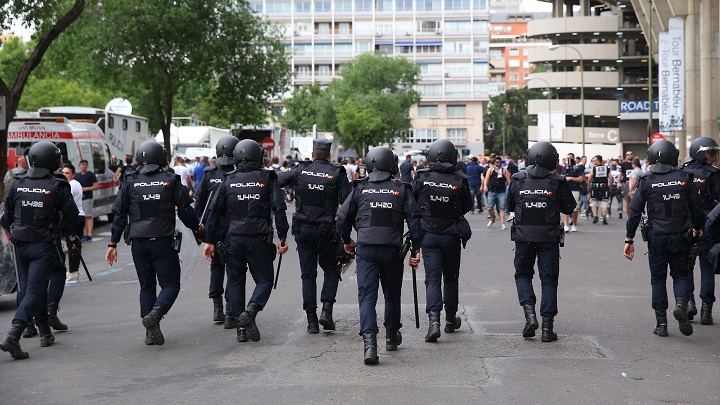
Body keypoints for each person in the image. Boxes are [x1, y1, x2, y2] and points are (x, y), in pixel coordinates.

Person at [105, 141, 202, 346]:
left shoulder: (129, 181)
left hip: (138, 243)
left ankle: (150, 331)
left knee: (146, 286)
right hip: (163, 242)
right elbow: (185, 211)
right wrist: (197, 229)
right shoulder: (170, 180)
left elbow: (119, 216)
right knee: (171, 284)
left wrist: (112, 244)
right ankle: (155, 316)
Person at [336, 146, 421, 365]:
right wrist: (415, 249)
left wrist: (347, 242)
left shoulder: (359, 189)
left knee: (367, 297)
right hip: (392, 250)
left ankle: (370, 344)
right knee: (392, 295)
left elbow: (342, 218)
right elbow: (414, 221)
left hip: (365, 250)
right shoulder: (401, 189)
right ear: (391, 165)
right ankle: (391, 336)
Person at [202, 140, 289, 343]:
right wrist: (283, 237)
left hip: (234, 239)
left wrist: (209, 240)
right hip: (259, 239)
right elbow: (279, 209)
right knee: (266, 280)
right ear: (259, 156)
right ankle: (251, 311)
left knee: (235, 282)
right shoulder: (267, 177)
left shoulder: (228, 179)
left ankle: (241, 329)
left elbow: (214, 211)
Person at [0, 141, 79, 359]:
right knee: (35, 291)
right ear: (53, 161)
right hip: (43, 246)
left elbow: (5, 217)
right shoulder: (58, 184)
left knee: (28, 289)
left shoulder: (17, 183)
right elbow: (71, 216)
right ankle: (13, 335)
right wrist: (66, 233)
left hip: (20, 244)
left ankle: (44, 331)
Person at [623, 140, 705, 338]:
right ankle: (681, 304)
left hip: (657, 237)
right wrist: (698, 228)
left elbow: (634, 212)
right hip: (680, 236)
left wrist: (629, 239)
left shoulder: (646, 180)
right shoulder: (685, 178)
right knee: (681, 275)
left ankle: (661, 325)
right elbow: (696, 208)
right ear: (673, 156)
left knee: (658, 279)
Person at [506, 141, 576, 342]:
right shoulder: (557, 181)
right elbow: (569, 208)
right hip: (548, 238)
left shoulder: (518, 180)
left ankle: (530, 316)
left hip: (523, 237)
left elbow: (509, 204)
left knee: (522, 275)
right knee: (549, 280)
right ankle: (547, 328)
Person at [280, 139, 351, 334]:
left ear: (312, 155)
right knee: (331, 270)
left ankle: (311, 321)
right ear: (329, 156)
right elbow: (348, 203)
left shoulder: (300, 170)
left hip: (303, 231)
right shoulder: (337, 173)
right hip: (327, 231)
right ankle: (326, 311)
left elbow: (277, 180)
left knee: (308, 275)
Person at [413, 140, 472, 342]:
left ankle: (434, 322)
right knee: (451, 279)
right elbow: (467, 205)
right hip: (451, 235)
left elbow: (415, 202)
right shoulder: (460, 179)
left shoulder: (422, 177)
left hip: (428, 235)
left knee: (432, 279)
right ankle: (449, 320)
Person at [194, 137, 240, 328]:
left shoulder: (209, 174)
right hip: (234, 228)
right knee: (233, 269)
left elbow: (199, 203)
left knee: (216, 267)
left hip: (213, 228)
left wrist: (200, 226)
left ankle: (217, 308)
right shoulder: (239, 174)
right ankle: (230, 309)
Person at [683, 137, 720, 325]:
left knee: (687, 267)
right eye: (710, 153)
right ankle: (707, 310)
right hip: (709, 227)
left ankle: (689, 303)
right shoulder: (714, 174)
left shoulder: (682, 172)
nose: (713, 157)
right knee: (707, 269)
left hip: (687, 226)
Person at [61, 164, 85, 284]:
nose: (64, 175)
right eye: (63, 173)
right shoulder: (76, 183)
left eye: (67, 173)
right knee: (74, 244)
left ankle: (73, 271)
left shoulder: (71, 185)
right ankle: (73, 270)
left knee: (73, 245)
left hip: (74, 217)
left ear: (73, 175)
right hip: (79, 215)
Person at [483, 156, 511, 229]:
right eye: (497, 162)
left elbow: (508, 181)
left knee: (502, 208)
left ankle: (502, 223)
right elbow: (486, 178)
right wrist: (485, 186)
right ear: (494, 162)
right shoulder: (490, 170)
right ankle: (492, 219)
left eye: (500, 162)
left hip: (501, 192)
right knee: (489, 208)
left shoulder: (504, 170)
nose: (499, 164)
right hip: (492, 191)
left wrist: (510, 189)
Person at [561, 153, 585, 233]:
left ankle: (574, 224)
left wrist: (571, 178)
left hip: (575, 189)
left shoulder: (578, 168)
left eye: (570, 158)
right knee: (566, 207)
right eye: (567, 158)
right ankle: (566, 225)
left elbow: (581, 179)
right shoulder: (564, 168)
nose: (568, 160)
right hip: (566, 189)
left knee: (575, 208)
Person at [586, 155, 613, 225]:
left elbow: (589, 178)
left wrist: (588, 186)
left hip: (595, 186)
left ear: (598, 161)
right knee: (604, 202)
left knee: (594, 202)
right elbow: (610, 178)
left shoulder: (594, 168)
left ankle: (595, 216)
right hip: (604, 186)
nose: (593, 162)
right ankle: (603, 217)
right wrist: (610, 186)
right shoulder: (607, 168)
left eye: (595, 160)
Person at [75, 160, 98, 241]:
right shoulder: (77, 176)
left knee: (88, 216)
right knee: (82, 216)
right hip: (79, 199)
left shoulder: (91, 175)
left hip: (88, 197)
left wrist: (86, 188)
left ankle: (89, 234)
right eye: (82, 164)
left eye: (85, 164)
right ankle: (84, 234)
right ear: (79, 165)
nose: (84, 166)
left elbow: (95, 186)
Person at [619, 151, 634, 218]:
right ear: (626, 156)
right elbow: (620, 173)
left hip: (634, 184)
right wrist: (618, 182)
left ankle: (634, 215)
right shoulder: (623, 164)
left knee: (634, 201)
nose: (629, 156)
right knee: (627, 201)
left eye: (631, 154)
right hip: (626, 184)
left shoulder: (635, 163)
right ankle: (629, 216)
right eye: (628, 154)